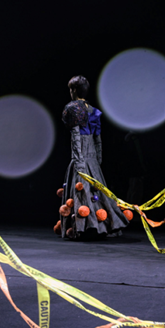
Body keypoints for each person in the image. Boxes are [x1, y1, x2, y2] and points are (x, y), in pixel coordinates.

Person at [57, 75, 129, 239]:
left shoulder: (73, 108)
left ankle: (83, 228)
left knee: (81, 191)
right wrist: (97, 158)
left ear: (74, 90)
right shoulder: (93, 111)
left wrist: (79, 162)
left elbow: (76, 137)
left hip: (81, 156)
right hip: (92, 158)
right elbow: (98, 138)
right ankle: (102, 225)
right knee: (97, 192)